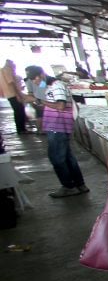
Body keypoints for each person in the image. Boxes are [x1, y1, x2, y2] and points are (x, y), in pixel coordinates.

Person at [26, 69, 88, 198]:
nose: (35, 83)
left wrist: (39, 101)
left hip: (58, 126)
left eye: (35, 79)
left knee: (57, 158)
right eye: (32, 81)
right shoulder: (47, 86)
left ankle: (69, 186)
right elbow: (45, 100)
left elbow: (60, 106)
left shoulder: (57, 86)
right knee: (67, 157)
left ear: (41, 75)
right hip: (55, 125)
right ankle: (79, 185)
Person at [1, 59, 29, 134]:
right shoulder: (7, 69)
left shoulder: (1, 71)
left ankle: (20, 129)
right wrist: (18, 94)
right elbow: (11, 83)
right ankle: (21, 129)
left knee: (17, 111)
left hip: (9, 94)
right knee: (19, 110)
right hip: (13, 94)